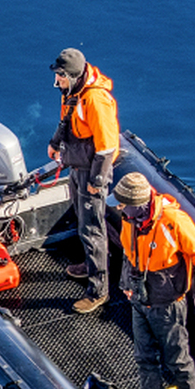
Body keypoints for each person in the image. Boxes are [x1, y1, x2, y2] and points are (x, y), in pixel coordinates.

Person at [113, 171, 195, 389]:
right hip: (140, 298)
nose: (121, 210)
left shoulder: (172, 221)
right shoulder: (130, 220)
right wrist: (126, 284)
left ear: (140, 204)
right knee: (144, 357)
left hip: (168, 302)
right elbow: (128, 254)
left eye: (125, 206)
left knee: (177, 358)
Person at [46, 48, 119, 314]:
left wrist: (97, 182)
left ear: (73, 76)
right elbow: (66, 120)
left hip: (92, 171)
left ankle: (98, 290)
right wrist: (55, 143)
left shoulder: (95, 100)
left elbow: (107, 147)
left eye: (61, 76)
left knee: (92, 228)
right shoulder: (72, 93)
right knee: (80, 217)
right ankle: (90, 265)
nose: (58, 81)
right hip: (77, 166)